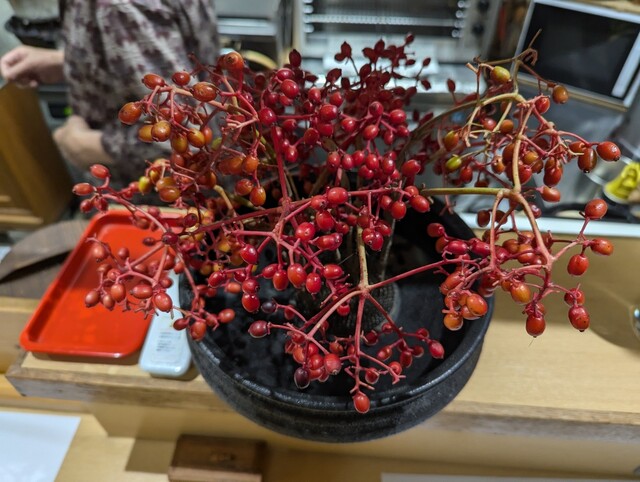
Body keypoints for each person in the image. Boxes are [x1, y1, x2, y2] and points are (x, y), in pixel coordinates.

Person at [0, 0, 219, 188]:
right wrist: (70, 62)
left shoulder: (118, 7)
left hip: (157, 192)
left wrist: (83, 145)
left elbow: (186, 138)